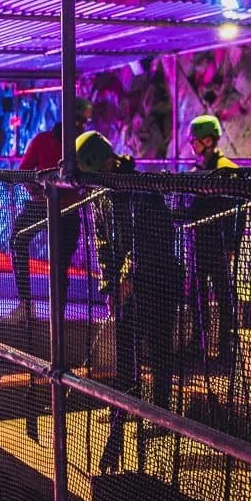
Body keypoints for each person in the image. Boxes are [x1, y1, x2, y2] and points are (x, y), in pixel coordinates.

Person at [76, 131, 184, 472]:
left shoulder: (140, 191)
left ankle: (162, 414)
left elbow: (152, 239)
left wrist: (131, 277)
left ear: (109, 162)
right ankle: (124, 407)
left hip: (157, 278)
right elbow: (105, 244)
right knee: (126, 349)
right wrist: (111, 285)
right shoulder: (100, 195)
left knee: (159, 345)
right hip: (128, 284)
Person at [9, 98, 87, 322]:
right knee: (18, 240)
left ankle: (56, 317)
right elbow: (25, 172)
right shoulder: (46, 141)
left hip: (66, 211)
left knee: (59, 263)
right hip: (45, 206)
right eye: (79, 121)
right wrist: (38, 193)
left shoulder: (79, 145)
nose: (81, 125)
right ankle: (27, 304)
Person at [184, 114, 244, 362]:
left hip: (217, 242)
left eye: (195, 140)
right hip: (201, 240)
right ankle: (199, 344)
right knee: (197, 294)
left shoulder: (226, 171)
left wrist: (232, 245)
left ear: (208, 140)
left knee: (223, 295)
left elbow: (236, 213)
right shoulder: (199, 171)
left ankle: (225, 349)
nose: (191, 144)